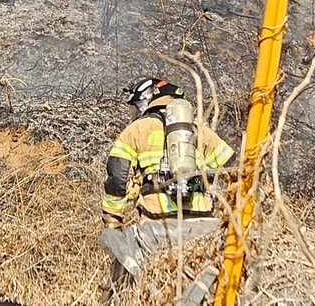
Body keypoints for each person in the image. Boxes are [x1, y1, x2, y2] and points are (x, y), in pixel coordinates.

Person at [99, 78, 235, 286]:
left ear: (146, 101)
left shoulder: (137, 130)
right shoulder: (200, 132)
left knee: (122, 284)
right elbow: (236, 170)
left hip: (155, 230)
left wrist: (114, 223)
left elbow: (116, 178)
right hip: (204, 230)